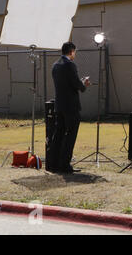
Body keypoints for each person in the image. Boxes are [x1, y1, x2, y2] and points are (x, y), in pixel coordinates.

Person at [50, 42, 91, 173]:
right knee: (70, 135)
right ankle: (65, 165)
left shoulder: (55, 65)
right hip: (71, 106)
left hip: (60, 105)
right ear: (72, 51)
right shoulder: (70, 65)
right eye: (75, 52)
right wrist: (84, 83)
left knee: (58, 134)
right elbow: (76, 84)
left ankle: (54, 163)